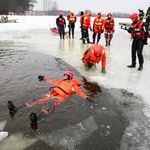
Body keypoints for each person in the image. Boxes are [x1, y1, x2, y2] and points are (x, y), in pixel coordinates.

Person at [8, 71, 90, 121]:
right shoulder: (60, 82)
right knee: (36, 99)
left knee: (49, 104)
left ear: (69, 76)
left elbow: (80, 92)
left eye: (65, 75)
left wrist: (86, 97)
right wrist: (44, 78)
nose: (64, 76)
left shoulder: (73, 85)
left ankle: (38, 118)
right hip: (51, 95)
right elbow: (51, 81)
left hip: (59, 98)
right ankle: (16, 109)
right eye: (64, 75)